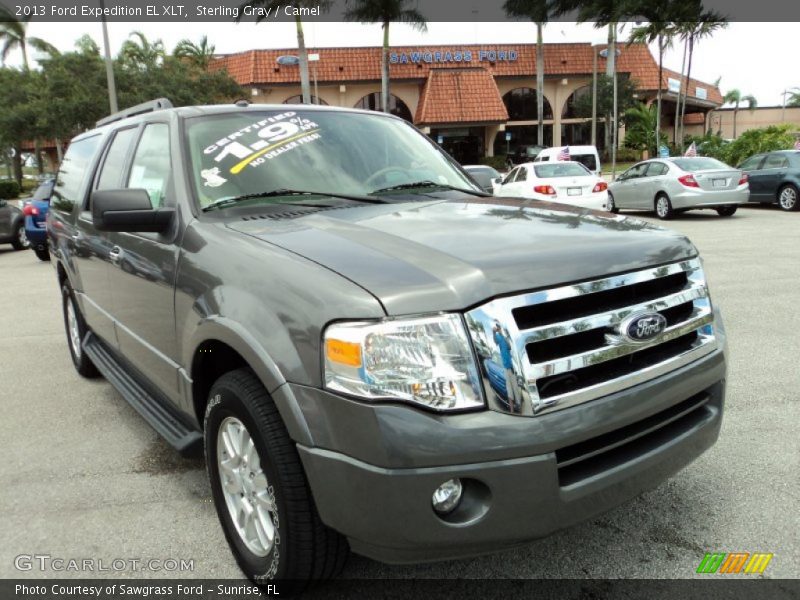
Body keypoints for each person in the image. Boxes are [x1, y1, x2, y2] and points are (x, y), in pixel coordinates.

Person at [493, 321, 521, 413]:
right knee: (509, 389)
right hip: (505, 367)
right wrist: (494, 332)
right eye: (497, 327)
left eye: (499, 327)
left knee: (515, 388)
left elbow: (509, 347)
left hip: (511, 367)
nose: (498, 328)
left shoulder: (505, 338)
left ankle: (519, 407)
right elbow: (495, 341)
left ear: (501, 328)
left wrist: (503, 335)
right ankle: (512, 410)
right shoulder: (498, 337)